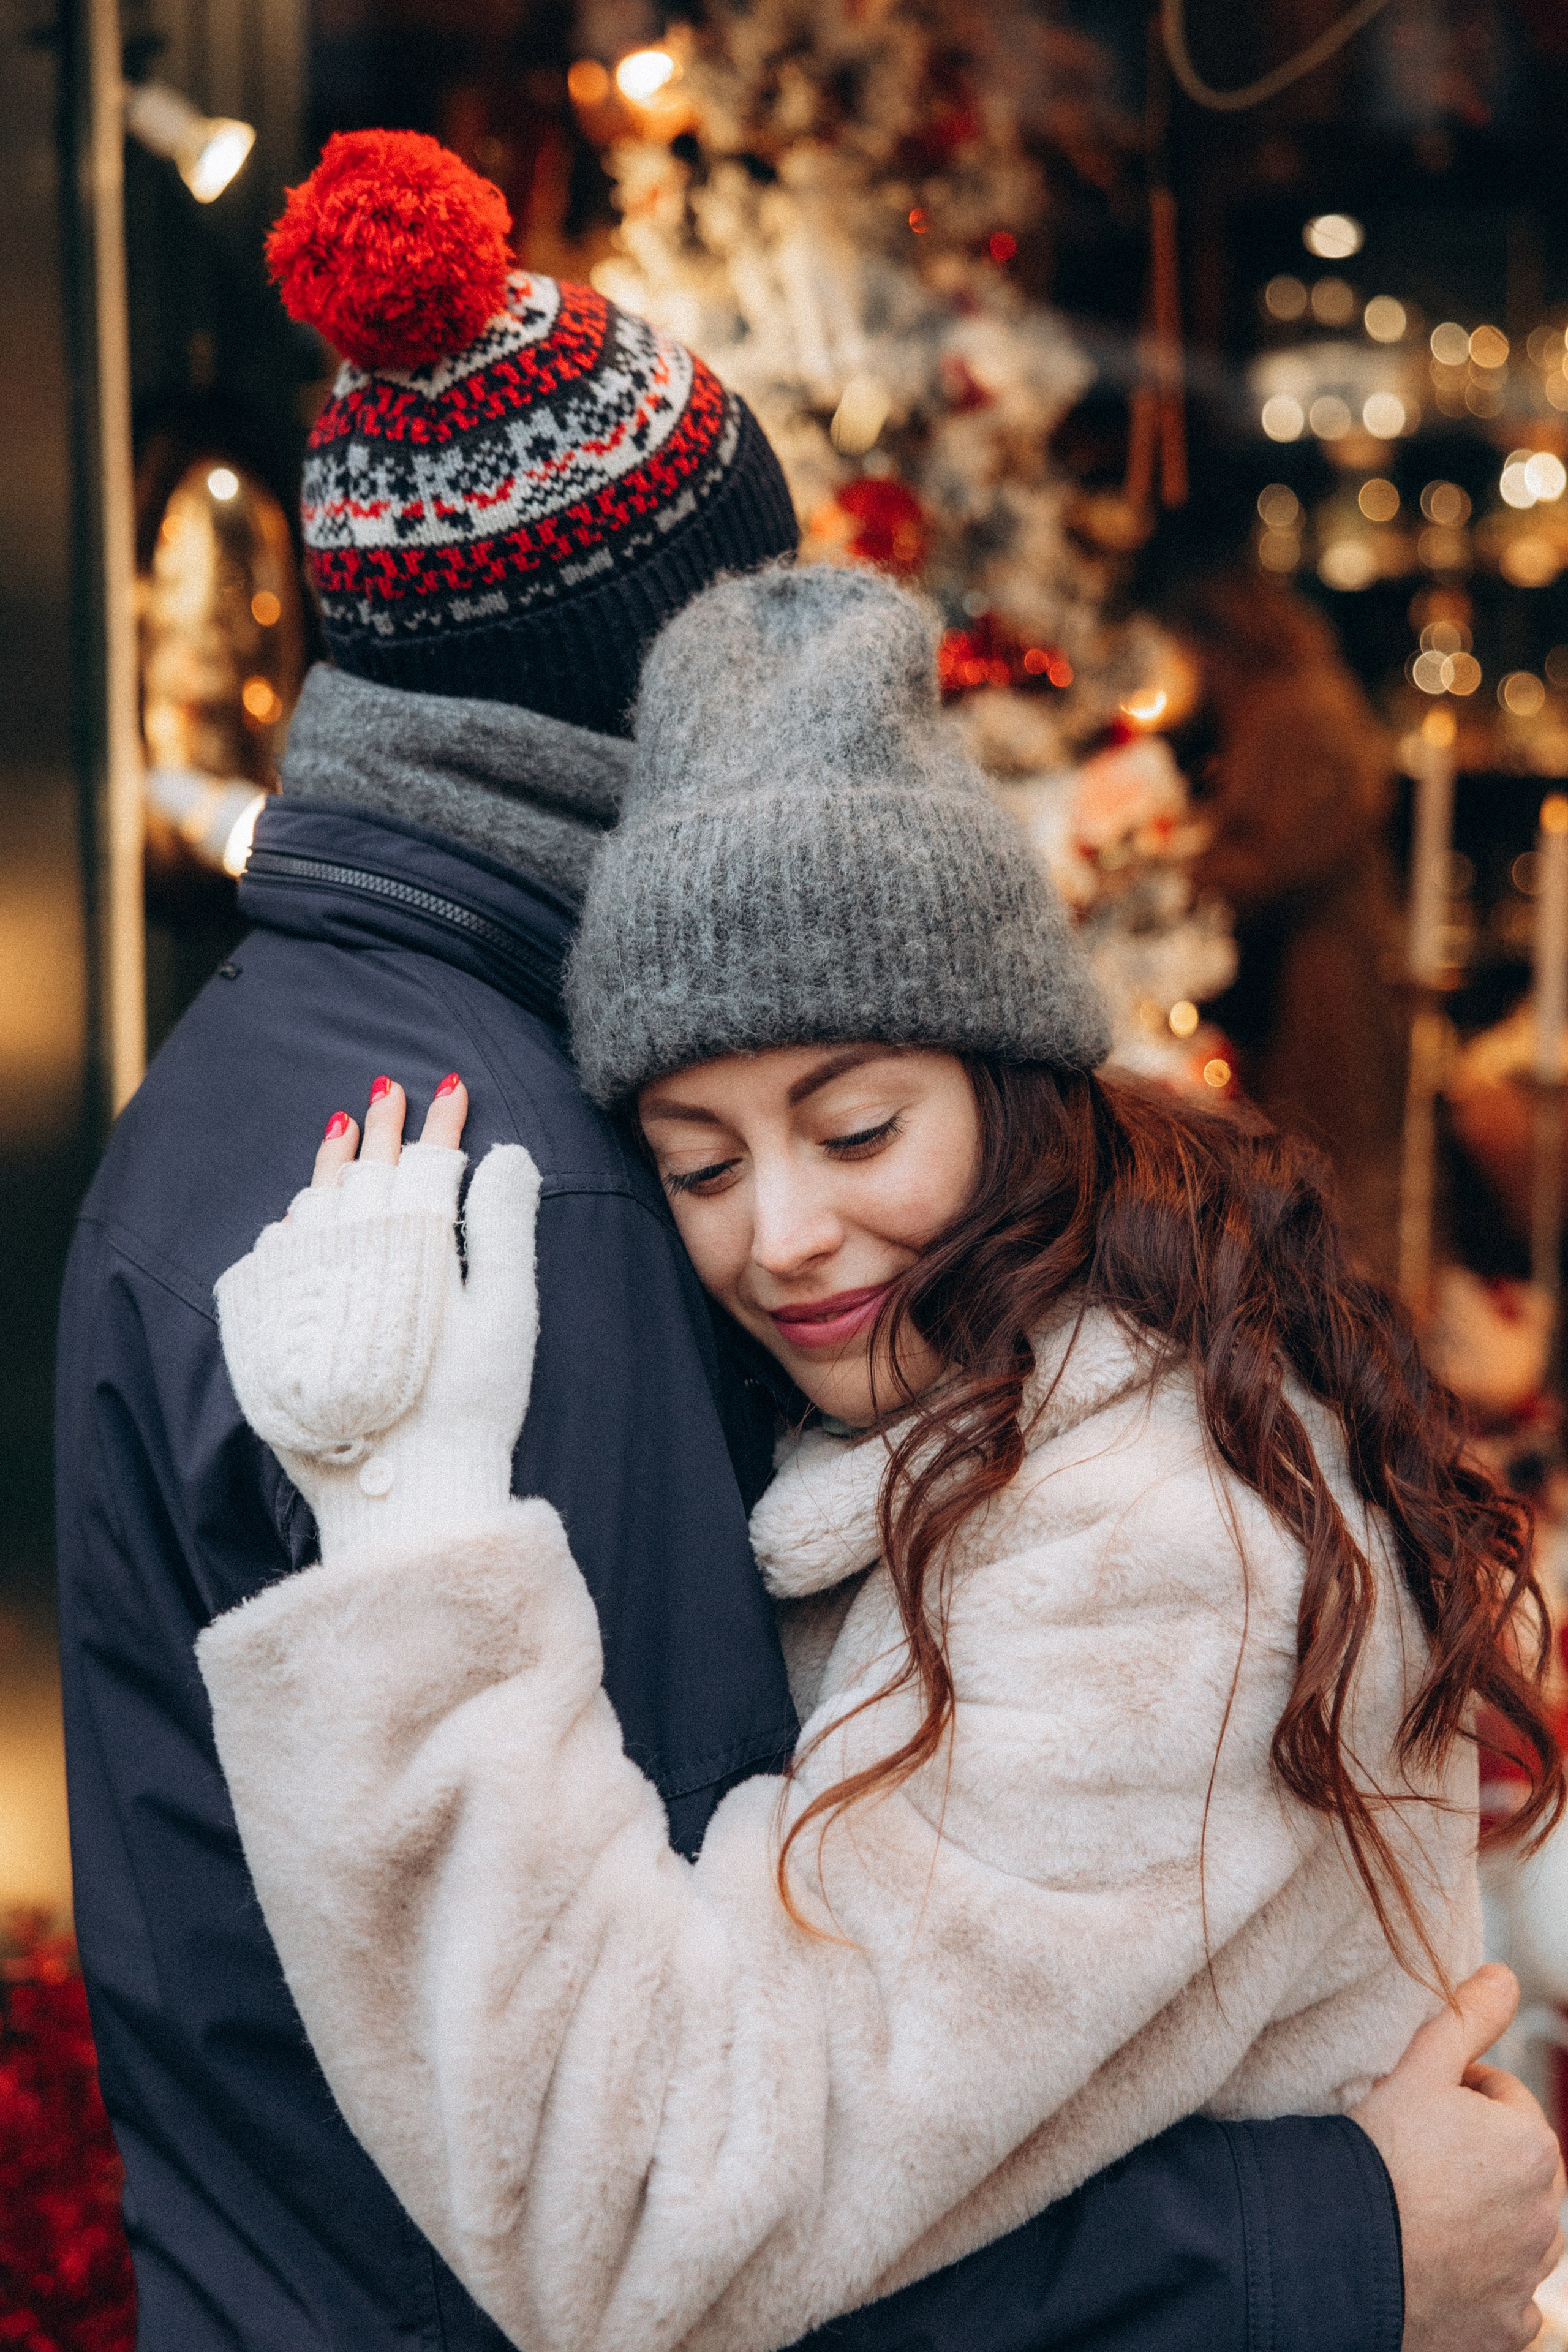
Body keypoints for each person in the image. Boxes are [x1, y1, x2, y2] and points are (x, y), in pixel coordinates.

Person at [200, 563, 1566, 2352]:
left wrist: (411, 1544)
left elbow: (651, 2219)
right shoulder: (997, 1425)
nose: (783, 1234)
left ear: (1009, 1089)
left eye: (856, 1129)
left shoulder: (1154, 1549)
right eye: (701, 1165)